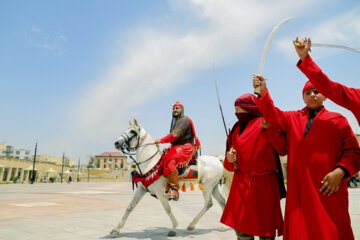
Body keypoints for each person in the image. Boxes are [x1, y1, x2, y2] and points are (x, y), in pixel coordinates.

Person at [253, 76, 360, 240]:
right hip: (299, 191)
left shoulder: (339, 121)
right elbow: (273, 114)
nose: (312, 95)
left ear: (325, 95)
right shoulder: (292, 118)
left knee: (332, 231)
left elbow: (354, 152)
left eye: (317, 91)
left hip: (328, 188)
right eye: (308, 92)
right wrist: (263, 92)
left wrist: (340, 172)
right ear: (303, 98)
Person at [220, 94, 287, 240]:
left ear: (249, 108)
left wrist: (269, 130)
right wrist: (230, 160)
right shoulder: (236, 129)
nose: (237, 113)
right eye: (235, 109)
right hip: (241, 185)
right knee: (242, 231)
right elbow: (229, 166)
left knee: (266, 230)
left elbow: (282, 148)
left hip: (264, 184)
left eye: (240, 109)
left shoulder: (265, 122)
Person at [294, 37, 360, 127]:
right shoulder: (357, 97)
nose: (312, 95)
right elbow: (326, 86)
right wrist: (304, 58)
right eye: (308, 93)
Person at [155, 101, 200, 201]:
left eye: (177, 108)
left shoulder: (185, 120)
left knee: (170, 159)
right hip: (177, 146)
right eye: (173, 108)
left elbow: (175, 134)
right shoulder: (175, 121)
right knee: (163, 157)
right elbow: (174, 139)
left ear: (182, 110)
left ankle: (174, 191)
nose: (175, 110)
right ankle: (164, 188)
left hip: (186, 146)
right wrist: (170, 147)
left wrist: (161, 140)